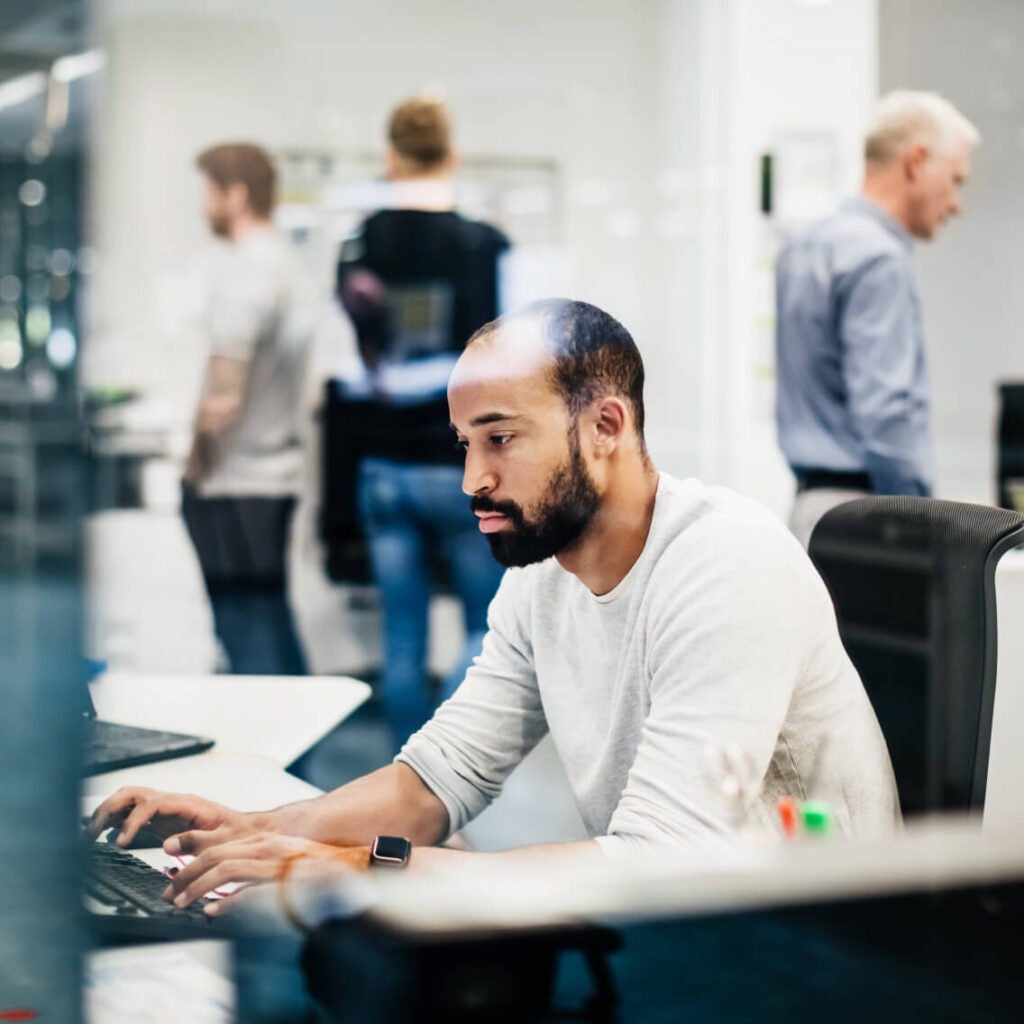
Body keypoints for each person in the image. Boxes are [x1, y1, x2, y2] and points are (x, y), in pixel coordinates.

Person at [90, 298, 898, 907]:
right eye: (464, 445)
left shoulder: (726, 565)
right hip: (684, 935)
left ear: (606, 425)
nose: (473, 480)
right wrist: (252, 828)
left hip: (808, 954)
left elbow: (655, 866)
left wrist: (348, 863)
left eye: (500, 438)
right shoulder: (542, 579)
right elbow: (431, 787)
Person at [334, 97, 509, 746]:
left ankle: (406, 773)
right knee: (482, 630)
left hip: (381, 466)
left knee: (400, 637)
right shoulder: (483, 245)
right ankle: (449, 767)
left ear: (390, 157)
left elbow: (348, 362)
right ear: (452, 155)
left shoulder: (359, 245)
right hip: (461, 465)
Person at [775, 91, 981, 547]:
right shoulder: (878, 260)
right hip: (871, 518)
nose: (955, 204)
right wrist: (922, 517)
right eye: (955, 180)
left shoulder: (803, 247)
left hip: (811, 511)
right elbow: (886, 414)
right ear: (917, 161)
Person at [181, 143, 311, 675]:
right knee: (268, 620)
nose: (201, 207)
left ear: (235, 195)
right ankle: (293, 758)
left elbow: (222, 395)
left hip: (235, 482)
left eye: (207, 193)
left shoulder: (248, 267)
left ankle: (274, 760)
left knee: (249, 631)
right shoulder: (284, 260)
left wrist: (193, 463)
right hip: (268, 476)